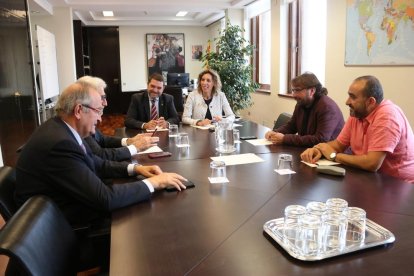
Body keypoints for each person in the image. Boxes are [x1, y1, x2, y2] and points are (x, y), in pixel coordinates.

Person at [15, 81, 187, 228]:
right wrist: (153, 183)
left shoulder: (61, 129)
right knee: (148, 223)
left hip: (61, 207)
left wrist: (136, 169)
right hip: (59, 226)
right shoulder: (60, 144)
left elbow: (96, 163)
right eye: (97, 111)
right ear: (78, 110)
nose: (100, 119)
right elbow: (106, 199)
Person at [301, 75, 414, 183]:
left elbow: (372, 163)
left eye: (353, 97)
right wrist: (318, 150)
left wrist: (334, 156)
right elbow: (339, 145)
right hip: (371, 178)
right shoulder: (358, 113)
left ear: (370, 102)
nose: (347, 102)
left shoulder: (387, 116)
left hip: (399, 185)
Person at [77, 76, 158, 161]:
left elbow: (102, 140)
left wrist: (129, 141)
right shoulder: (81, 125)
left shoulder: (86, 119)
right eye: (102, 98)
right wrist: (135, 147)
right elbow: (100, 156)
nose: (105, 103)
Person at [265, 72, 344, 147]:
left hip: (331, 156)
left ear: (312, 91)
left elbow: (321, 139)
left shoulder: (327, 107)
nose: (294, 95)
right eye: (293, 90)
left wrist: (285, 138)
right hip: (309, 150)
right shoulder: (301, 103)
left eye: (298, 90)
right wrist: (275, 132)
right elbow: (292, 126)